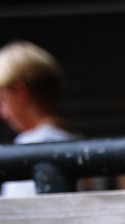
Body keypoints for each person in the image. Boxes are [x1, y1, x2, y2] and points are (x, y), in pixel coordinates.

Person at [0, 40, 76, 197]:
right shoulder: (77, 142)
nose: (3, 114)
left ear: (21, 92)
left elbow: (20, 211)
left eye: (2, 101)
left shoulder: (27, 150)